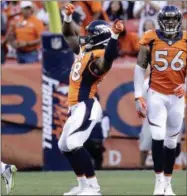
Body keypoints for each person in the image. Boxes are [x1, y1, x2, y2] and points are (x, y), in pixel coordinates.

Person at [57, 3, 124, 195]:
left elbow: (108, 60)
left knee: (73, 143)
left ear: (99, 36)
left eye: (91, 33)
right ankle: (82, 185)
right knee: (64, 145)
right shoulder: (85, 49)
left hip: (86, 104)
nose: (87, 35)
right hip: (76, 106)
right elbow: (68, 35)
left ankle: (93, 187)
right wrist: (68, 18)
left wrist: (115, 36)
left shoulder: (100, 55)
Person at [134, 5, 186, 195]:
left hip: (177, 97)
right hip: (157, 94)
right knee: (157, 136)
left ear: (179, 21)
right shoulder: (150, 37)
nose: (171, 23)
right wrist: (138, 95)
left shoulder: (186, 38)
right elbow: (140, 68)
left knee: (171, 143)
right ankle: (158, 182)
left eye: (174, 19)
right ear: (161, 20)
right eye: (168, 19)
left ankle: (168, 184)